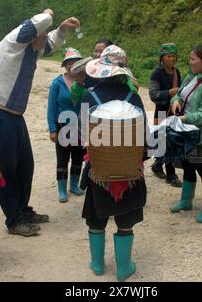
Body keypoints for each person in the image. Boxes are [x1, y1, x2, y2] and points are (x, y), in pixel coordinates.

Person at [0, 9, 80, 237]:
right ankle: (13, 220)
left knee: (25, 166)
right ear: (33, 35)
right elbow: (37, 23)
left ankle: (23, 210)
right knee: (6, 170)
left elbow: (51, 43)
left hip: (15, 117)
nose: (45, 40)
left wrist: (63, 29)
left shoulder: (32, 50)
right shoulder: (13, 42)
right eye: (42, 36)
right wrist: (49, 13)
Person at [81, 45, 147, 281]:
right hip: (129, 172)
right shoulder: (134, 97)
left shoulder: (90, 97)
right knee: (125, 221)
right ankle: (123, 268)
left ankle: (97, 264)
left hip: (99, 170)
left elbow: (82, 135)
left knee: (96, 218)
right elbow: (144, 138)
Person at [170, 44, 202, 223]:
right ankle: (186, 201)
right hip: (187, 134)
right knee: (188, 167)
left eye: (193, 59)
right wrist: (175, 101)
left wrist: (183, 118)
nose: (190, 62)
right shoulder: (191, 77)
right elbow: (179, 95)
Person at [47, 48, 85, 202]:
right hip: (62, 125)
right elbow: (51, 108)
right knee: (62, 158)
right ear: (65, 65)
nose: (72, 65)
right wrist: (52, 129)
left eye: (75, 62)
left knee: (78, 157)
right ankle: (62, 189)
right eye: (69, 63)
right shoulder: (57, 83)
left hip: (80, 126)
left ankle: (74, 186)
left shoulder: (84, 82)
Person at [149, 43, 182, 187]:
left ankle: (158, 165)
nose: (172, 59)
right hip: (161, 112)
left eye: (174, 56)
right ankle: (171, 174)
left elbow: (180, 92)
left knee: (170, 142)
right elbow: (153, 95)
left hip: (174, 111)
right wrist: (170, 92)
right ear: (162, 58)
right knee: (166, 142)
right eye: (169, 56)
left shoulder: (177, 72)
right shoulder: (157, 73)